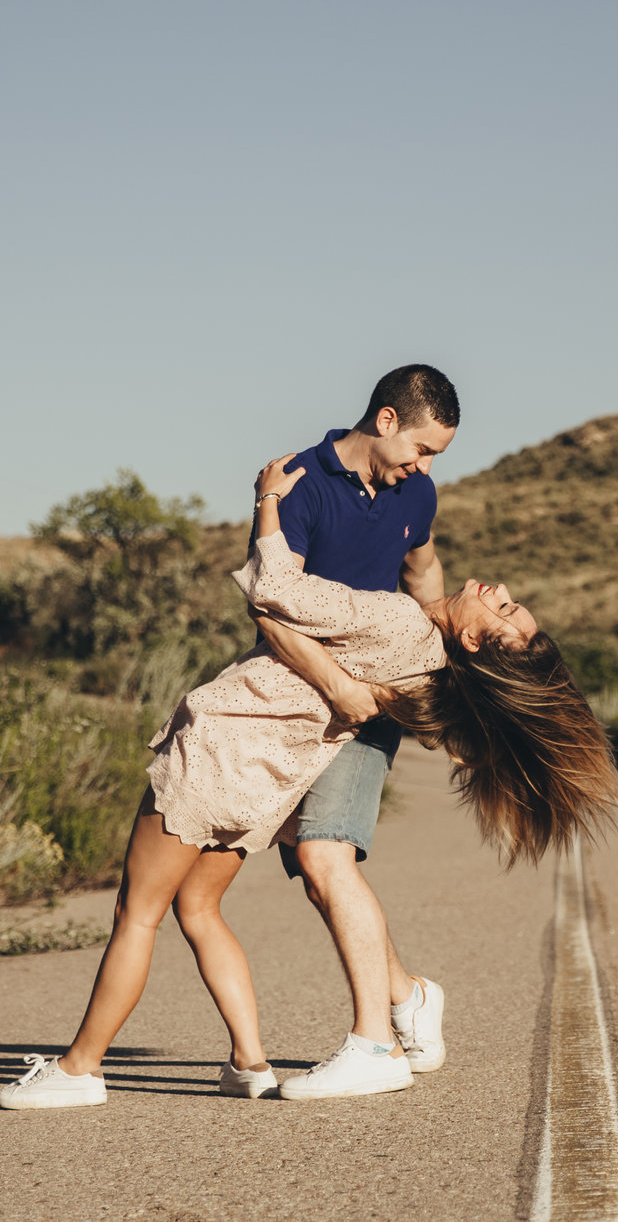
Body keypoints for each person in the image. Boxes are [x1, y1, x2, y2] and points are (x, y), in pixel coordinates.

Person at [0, 452, 618, 1109]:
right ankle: (250, 1062)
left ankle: (80, 1067)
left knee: (137, 913)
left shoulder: (399, 621)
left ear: (474, 640)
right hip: (264, 789)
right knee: (199, 908)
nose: (497, 591)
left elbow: (277, 588)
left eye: (506, 608)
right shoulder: (431, 681)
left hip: (217, 751)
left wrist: (267, 501)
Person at [250, 364, 458, 1082]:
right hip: (297, 698)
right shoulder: (301, 483)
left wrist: (438, 668)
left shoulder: (418, 493)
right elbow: (270, 609)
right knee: (316, 874)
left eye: (435, 458)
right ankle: (408, 994)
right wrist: (335, 683)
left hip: (370, 710)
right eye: (422, 450)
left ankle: (374, 1045)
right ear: (388, 420)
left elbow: (425, 577)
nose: (424, 469)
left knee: (325, 859)